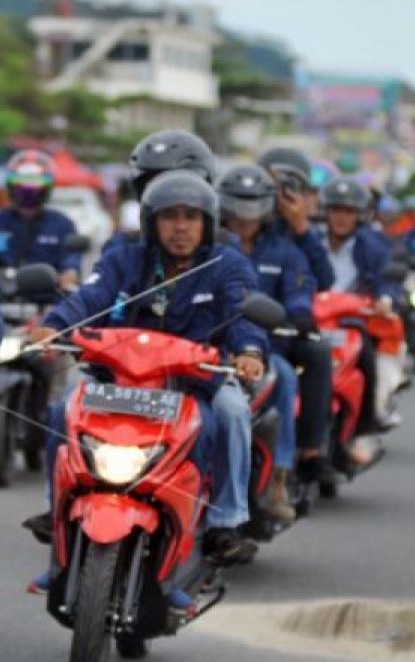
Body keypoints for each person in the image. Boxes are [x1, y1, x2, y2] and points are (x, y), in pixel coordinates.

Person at [28, 170, 272, 568]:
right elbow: (92, 296)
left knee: (231, 413)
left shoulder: (228, 265)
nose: (180, 227)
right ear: (151, 223)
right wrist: (54, 327)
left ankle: (225, 522)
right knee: (63, 410)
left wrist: (248, 351)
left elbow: (243, 314)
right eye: (170, 217)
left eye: (191, 217)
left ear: (207, 223)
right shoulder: (125, 258)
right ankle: (57, 506)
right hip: (119, 381)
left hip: (196, 384)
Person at [218, 163, 337, 522]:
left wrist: (297, 316)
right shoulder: (210, 243)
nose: (246, 215)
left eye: (255, 204)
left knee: (284, 376)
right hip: (211, 346)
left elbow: (303, 288)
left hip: (267, 348)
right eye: (239, 204)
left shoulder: (286, 248)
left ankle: (278, 478)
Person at [320, 178, 405, 454]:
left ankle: (363, 428)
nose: (341, 218)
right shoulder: (311, 242)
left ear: (360, 215)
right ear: (326, 211)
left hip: (354, 324)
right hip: (312, 321)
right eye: (336, 210)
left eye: (349, 211)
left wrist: (385, 299)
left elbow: (388, 280)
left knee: (366, 356)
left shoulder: (373, 246)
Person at [0, 149, 83, 291]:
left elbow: (71, 261)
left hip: (48, 299)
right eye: (21, 187)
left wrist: (69, 274)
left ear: (47, 188)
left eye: (35, 187)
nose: (28, 193)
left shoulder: (62, 224)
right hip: (2, 296)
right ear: (11, 187)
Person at [258, 147, 336, 292]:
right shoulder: (249, 226)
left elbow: (325, 280)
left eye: (290, 187)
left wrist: (301, 228)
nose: (281, 195)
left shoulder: (310, 235)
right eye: (274, 187)